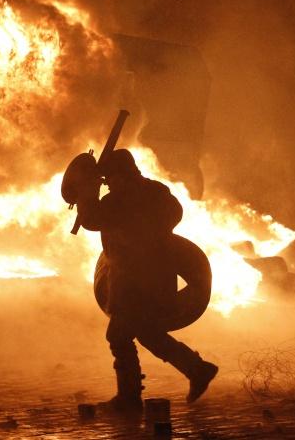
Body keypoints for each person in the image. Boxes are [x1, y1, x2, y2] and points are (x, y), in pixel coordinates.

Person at [76, 149, 218, 412]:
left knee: (119, 336)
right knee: (148, 333)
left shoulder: (119, 200)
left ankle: (129, 399)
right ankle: (197, 369)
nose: (108, 184)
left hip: (132, 283)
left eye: (109, 178)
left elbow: (92, 219)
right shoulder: (157, 192)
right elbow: (175, 214)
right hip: (159, 279)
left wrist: (87, 191)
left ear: (119, 175)